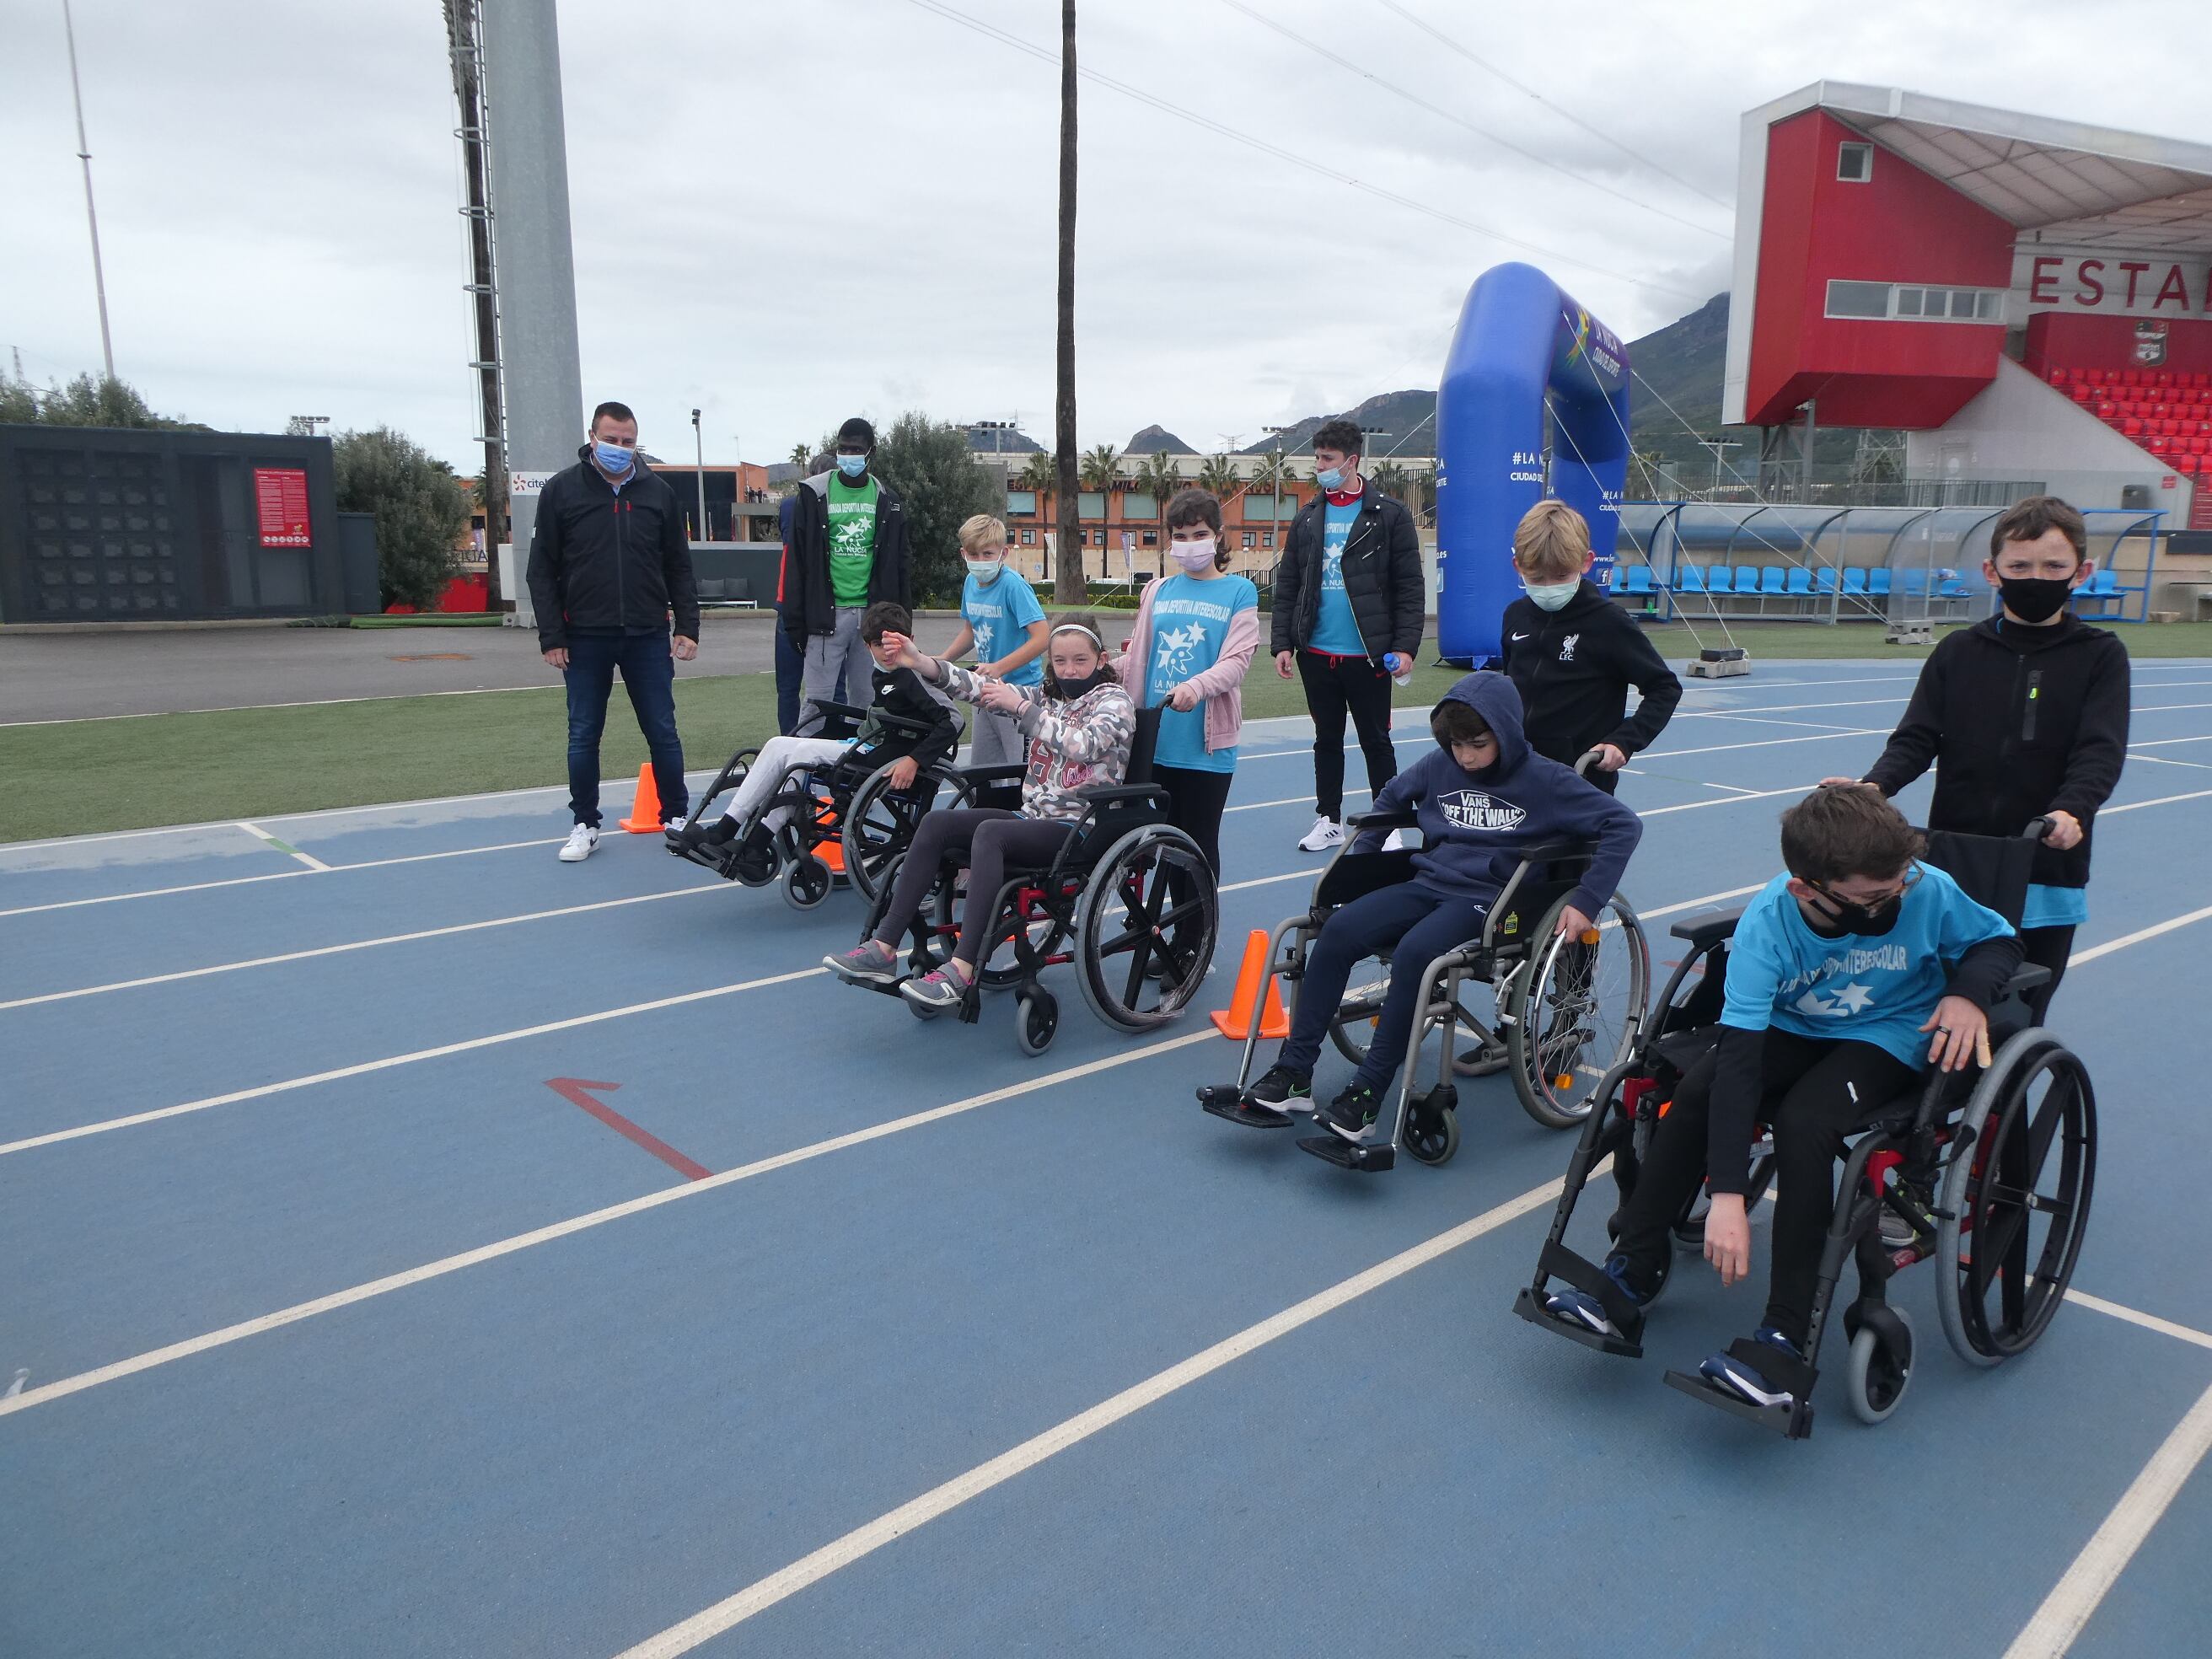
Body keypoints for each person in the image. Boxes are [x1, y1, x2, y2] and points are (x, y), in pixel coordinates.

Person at [1544, 786, 2021, 1414]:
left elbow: (1999, 942)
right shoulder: (1769, 922)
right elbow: (1740, 1062)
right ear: (1807, 889)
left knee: (1806, 1122)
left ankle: (1785, 1335)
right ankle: (1630, 1269)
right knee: (1698, 1092)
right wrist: (1727, 1195)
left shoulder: (1924, 886)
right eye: (1872, 899)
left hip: (1890, 1030)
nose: (1892, 903)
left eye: (1897, 889)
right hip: (1792, 1028)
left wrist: (1968, 992)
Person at [1239, 672, 1641, 1136]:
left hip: (1491, 901)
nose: (1466, 756)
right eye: (1457, 744)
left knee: (1416, 953)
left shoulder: (1546, 780)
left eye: (1478, 744)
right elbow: (1389, 798)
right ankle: (1294, 1073)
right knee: (1338, 930)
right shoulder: (1438, 765)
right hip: (1429, 883)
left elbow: (1623, 825)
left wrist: (1588, 900)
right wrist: (1358, 870)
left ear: (1506, 733)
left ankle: (1368, 1094)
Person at [1821, 495, 2128, 1023]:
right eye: (2020, 566)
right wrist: (1875, 787)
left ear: (2082, 572)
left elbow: (2099, 749)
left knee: (2018, 1012)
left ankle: (2003, 1104)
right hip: (1955, 857)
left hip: (2046, 861)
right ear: (1993, 571)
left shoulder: (2100, 655)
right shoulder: (1959, 651)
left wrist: (2073, 811)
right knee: (1936, 1001)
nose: (2036, 578)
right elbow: (1916, 737)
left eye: (2054, 566)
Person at [822, 617, 1136, 1012]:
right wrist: (921, 662)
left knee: (990, 833)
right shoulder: (1049, 697)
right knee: (936, 822)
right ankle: (883, 948)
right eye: (1059, 662)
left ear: (1101, 658)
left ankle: (962, 968)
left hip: (1081, 826)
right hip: (1032, 818)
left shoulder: (1114, 702)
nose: (1069, 670)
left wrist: (1021, 708)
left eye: (1079, 660)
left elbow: (1085, 745)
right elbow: (976, 688)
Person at [526, 400, 700, 863]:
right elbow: (540, 571)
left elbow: (679, 567)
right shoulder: (561, 492)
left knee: (663, 730)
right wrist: (552, 636)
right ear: (592, 437)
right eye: (612, 440)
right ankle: (585, 823)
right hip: (583, 636)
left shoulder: (659, 493)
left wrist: (687, 626)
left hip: (646, 633)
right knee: (583, 733)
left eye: (628, 442)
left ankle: (677, 818)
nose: (620, 449)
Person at [670, 601, 960, 875]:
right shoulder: (884, 671)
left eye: (893, 646)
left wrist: (914, 760)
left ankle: (756, 846)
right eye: (877, 646)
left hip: (895, 755)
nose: (887, 653)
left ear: (909, 638)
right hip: (875, 743)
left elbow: (953, 721)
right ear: (866, 645)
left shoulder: (915, 674)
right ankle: (724, 830)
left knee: (803, 756)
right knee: (777, 744)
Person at [1271, 418, 1426, 852]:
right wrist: (1283, 642)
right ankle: (1328, 819)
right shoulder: (1307, 517)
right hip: (1317, 654)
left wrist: (1405, 647)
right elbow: (1289, 585)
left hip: (1370, 656)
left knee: (1377, 740)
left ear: (1352, 460)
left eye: (1327, 459)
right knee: (1327, 740)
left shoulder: (1390, 515)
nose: (1319, 466)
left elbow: (1410, 588)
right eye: (1317, 458)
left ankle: (1389, 821)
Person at [1117, 488, 1259, 887]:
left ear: (1217, 534)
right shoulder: (1157, 591)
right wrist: (1097, 669)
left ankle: (1195, 934)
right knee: (1157, 844)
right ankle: (1162, 934)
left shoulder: (1239, 592)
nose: (1189, 544)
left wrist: (1196, 688)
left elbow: (1235, 662)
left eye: (1198, 533)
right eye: (1179, 535)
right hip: (1155, 741)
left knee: (1196, 846)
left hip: (1204, 747)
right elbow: (1140, 657)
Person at [1497, 500, 1681, 794]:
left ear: (1586, 562)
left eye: (1560, 576)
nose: (1548, 587)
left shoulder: (1608, 623)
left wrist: (1624, 741)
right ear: (1518, 565)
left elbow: (1664, 687)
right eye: (1536, 577)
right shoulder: (1514, 616)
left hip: (1581, 778)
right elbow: (1508, 685)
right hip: (1517, 771)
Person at [784, 417, 911, 736]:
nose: (849, 455)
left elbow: (901, 565)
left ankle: (856, 779)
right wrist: (795, 620)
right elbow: (797, 562)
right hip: (826, 616)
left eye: (856, 449)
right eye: (843, 449)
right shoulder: (813, 495)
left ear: (871, 454)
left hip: (872, 618)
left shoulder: (888, 500)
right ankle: (801, 779)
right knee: (815, 705)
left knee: (868, 703)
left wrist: (902, 622)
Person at [936, 513, 1049, 766]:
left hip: (1017, 693)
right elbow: (970, 631)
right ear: (963, 554)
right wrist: (942, 660)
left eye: (987, 554)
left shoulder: (1013, 586)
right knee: (983, 769)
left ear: (1003, 553)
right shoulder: (970, 582)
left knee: (1019, 770)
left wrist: (999, 667)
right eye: (974, 555)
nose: (980, 561)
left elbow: (1042, 637)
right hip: (985, 692)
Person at [773, 451, 835, 735]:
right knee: (835, 684)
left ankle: (789, 742)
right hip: (825, 607)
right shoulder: (833, 507)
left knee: (788, 686)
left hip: (790, 603)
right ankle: (833, 742)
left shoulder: (788, 505)